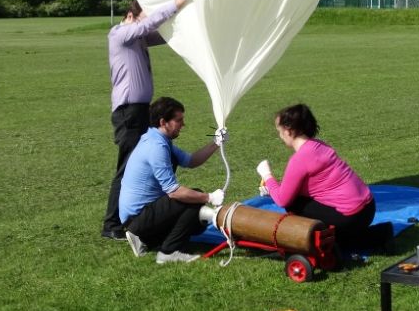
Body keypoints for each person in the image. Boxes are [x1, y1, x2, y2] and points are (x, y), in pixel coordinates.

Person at [101, 0, 191, 241]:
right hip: (128, 113)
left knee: (162, 155)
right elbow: (149, 25)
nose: (147, 23)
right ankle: (112, 225)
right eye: (143, 17)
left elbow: (162, 34)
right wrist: (177, 2)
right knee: (127, 167)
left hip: (139, 110)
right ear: (131, 16)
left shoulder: (137, 37)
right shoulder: (120, 34)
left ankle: (157, 211)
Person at [256, 103, 392, 254]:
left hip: (351, 217)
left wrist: (267, 175)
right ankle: (378, 234)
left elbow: (283, 200)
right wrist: (274, 189)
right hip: (368, 208)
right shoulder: (319, 145)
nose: (280, 136)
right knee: (298, 200)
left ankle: (312, 240)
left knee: (294, 203)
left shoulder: (300, 158)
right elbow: (313, 184)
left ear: (288, 131)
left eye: (280, 131)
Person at [120, 96, 226, 264]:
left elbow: (191, 161)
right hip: (137, 218)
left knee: (197, 222)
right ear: (163, 122)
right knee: (194, 199)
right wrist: (208, 197)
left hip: (139, 216)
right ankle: (167, 252)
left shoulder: (157, 139)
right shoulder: (156, 146)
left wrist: (216, 142)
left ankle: (147, 239)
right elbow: (174, 192)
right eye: (179, 120)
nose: (183, 125)